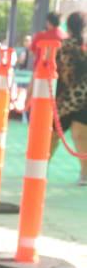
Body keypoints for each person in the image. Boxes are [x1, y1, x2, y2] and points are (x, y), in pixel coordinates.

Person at [50, 11, 87, 186]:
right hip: (72, 99)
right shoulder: (64, 45)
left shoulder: (64, 45)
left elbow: (53, 69)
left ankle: (40, 166)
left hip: (68, 99)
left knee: (58, 136)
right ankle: (40, 165)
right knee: (78, 137)